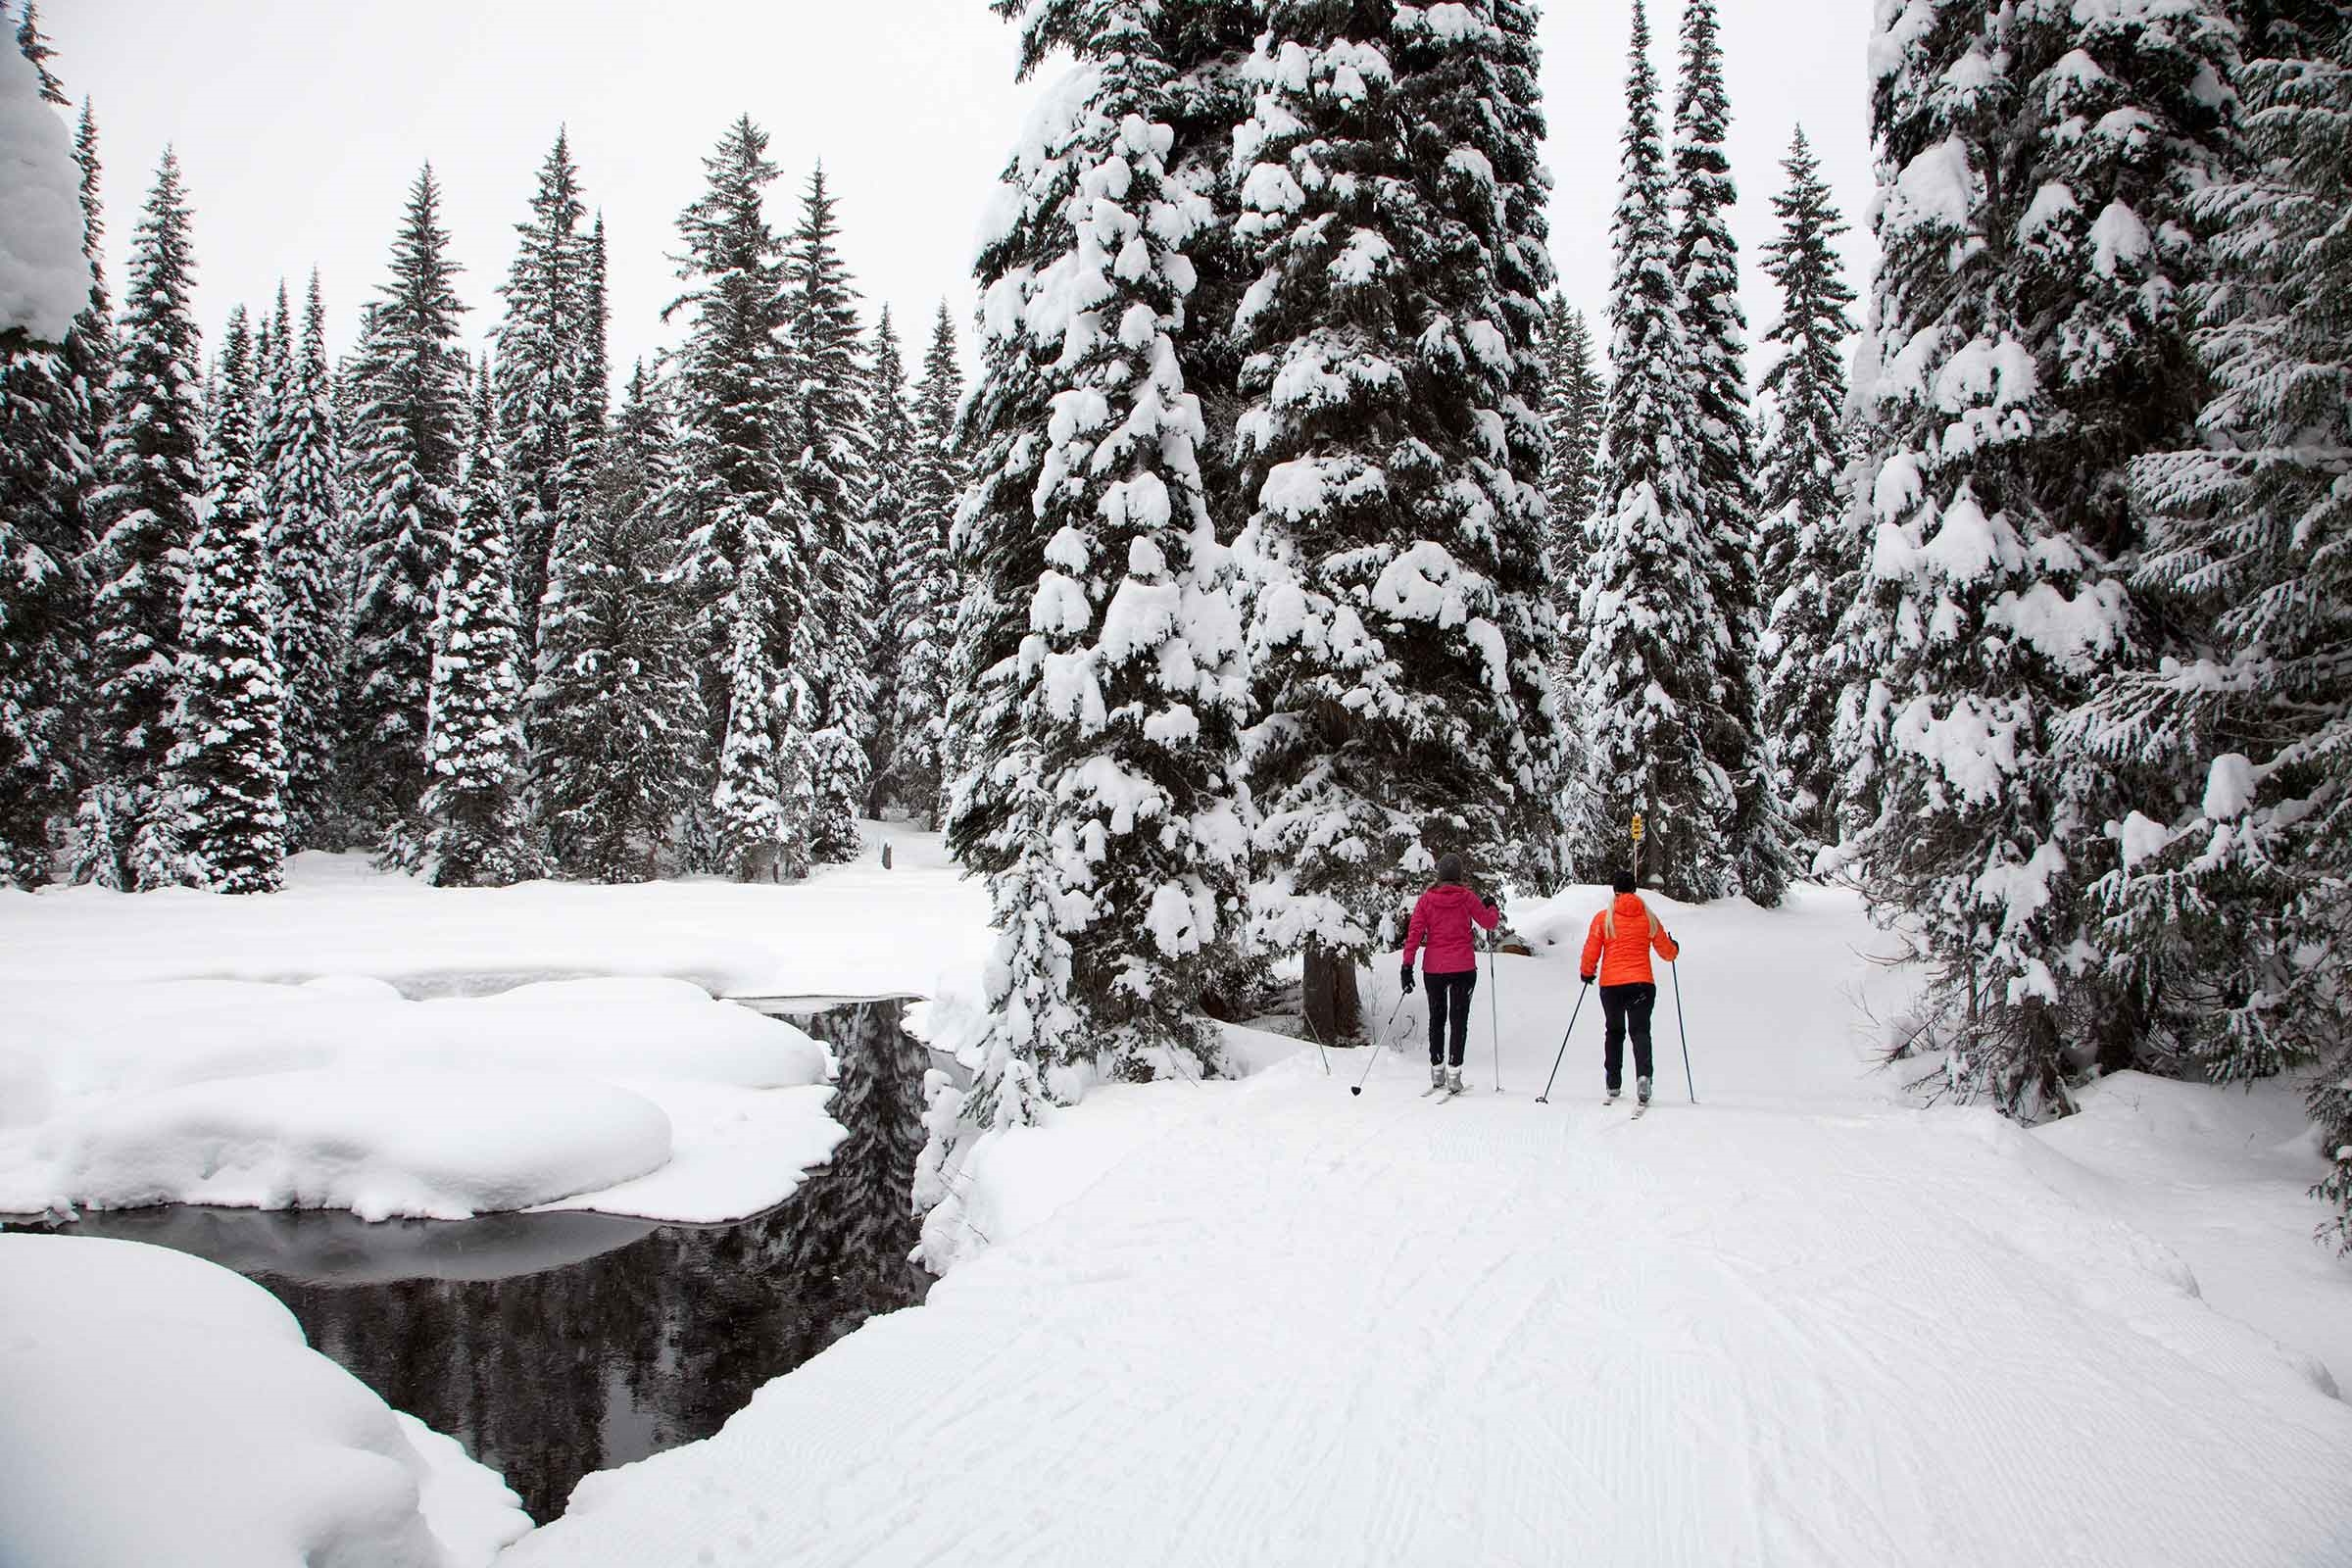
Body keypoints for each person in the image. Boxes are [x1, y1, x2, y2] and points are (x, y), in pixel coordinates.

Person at [1399, 853, 1500, 1094]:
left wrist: (1407, 966)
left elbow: (1414, 934)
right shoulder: (1466, 897)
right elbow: (1489, 923)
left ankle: (1437, 1071)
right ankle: (1454, 1074)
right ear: (1459, 875)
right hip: (1463, 967)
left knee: (1437, 1019)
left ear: (1439, 874)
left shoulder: (1426, 900)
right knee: (1458, 1020)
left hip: (1434, 969)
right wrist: (1492, 906)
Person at [1579, 869, 1681, 1105]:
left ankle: (1613, 1082)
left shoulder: (1604, 918)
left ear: (1615, 890)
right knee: (1640, 1031)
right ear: (1634, 890)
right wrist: (1674, 947)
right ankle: (1643, 1077)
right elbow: (1666, 952)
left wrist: (1587, 972)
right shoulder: (1648, 918)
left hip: (1611, 986)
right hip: (1642, 984)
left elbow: (1592, 948)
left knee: (1614, 1032)